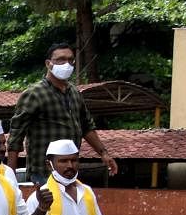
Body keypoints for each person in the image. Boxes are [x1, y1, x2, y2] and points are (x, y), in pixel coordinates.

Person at [8, 42, 117, 184]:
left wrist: (104, 153)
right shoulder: (34, 94)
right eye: (60, 60)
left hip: (70, 171)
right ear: (48, 63)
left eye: (70, 60)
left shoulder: (75, 93)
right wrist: (10, 176)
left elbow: (86, 126)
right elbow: (16, 135)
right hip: (43, 173)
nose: (66, 64)